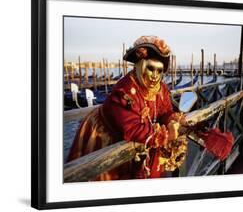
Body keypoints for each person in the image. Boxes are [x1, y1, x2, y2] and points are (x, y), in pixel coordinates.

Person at [67, 36, 187, 181]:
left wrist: (171, 120)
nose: (155, 76)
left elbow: (165, 111)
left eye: (159, 70)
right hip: (107, 138)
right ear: (141, 65)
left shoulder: (161, 88)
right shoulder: (125, 89)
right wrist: (165, 135)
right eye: (151, 68)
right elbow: (131, 128)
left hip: (139, 144)